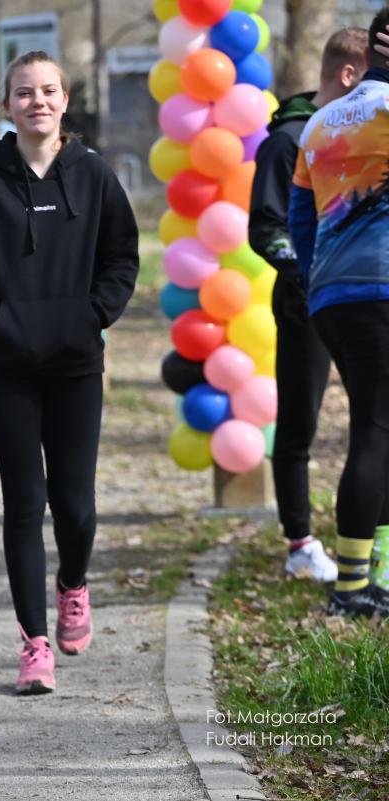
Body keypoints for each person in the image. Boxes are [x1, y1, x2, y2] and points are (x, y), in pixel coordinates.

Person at [0, 51, 139, 694]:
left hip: (77, 363)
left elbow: (122, 258)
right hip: (8, 367)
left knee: (75, 507)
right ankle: (33, 644)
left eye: (49, 91)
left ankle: (73, 585)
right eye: (25, 93)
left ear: (64, 99)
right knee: (25, 503)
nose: (38, 102)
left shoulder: (94, 175)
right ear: (7, 105)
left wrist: (93, 316)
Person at [249, 28, 365, 583]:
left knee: (374, 422)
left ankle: (368, 541)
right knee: (299, 424)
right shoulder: (287, 141)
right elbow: (265, 229)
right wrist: (312, 276)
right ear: (348, 75)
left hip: (365, 301)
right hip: (305, 304)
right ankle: (300, 544)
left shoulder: (367, 134)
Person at [287, 7, 389, 619]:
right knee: (375, 431)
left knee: (377, 426)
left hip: (332, 294)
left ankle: (373, 572)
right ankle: (352, 589)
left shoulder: (321, 121)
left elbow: (300, 218)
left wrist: (319, 278)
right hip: (381, 289)